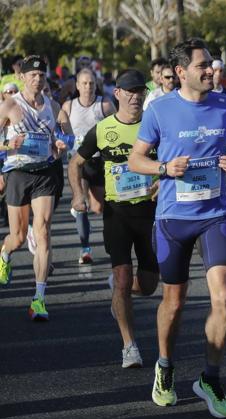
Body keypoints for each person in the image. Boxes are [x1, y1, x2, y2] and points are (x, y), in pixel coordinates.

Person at [128, 38, 226, 418]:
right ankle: (164, 366)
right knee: (174, 303)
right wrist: (165, 168)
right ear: (181, 72)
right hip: (174, 217)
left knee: (223, 298)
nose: (211, 69)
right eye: (202, 65)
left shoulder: (225, 104)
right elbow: (135, 160)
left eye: (210, 63)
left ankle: (210, 377)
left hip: (215, 214)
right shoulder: (159, 110)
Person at [69, 69, 159, 368]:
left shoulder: (153, 126)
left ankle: (121, 293)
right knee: (122, 279)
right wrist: (78, 195)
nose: (135, 96)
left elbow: (168, 162)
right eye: (129, 91)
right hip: (117, 213)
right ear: (117, 93)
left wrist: (161, 182)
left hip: (149, 212)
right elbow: (75, 163)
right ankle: (129, 346)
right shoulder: (103, 129)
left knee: (147, 285)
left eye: (140, 91)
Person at [0, 55, 71, 321]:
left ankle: (39, 298)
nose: (38, 79)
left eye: (41, 75)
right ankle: (4, 253)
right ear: (22, 77)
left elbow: (67, 137)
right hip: (18, 172)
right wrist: (9, 146)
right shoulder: (9, 106)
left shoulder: (53, 106)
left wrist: (62, 145)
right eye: (32, 75)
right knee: (18, 237)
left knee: (42, 231)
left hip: (45, 172)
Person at [58, 68, 115, 264]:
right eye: (84, 83)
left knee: (99, 207)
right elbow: (60, 131)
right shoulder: (68, 106)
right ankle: (85, 249)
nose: (88, 87)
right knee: (81, 205)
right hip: (78, 163)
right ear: (77, 86)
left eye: (91, 83)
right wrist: (61, 143)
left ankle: (109, 237)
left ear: (96, 85)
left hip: (99, 162)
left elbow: (118, 127)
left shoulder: (105, 106)